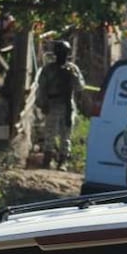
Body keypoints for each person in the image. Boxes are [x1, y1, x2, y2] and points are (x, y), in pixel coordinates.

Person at [35, 40, 86, 170]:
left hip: (67, 104)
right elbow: (42, 87)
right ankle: (47, 159)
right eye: (59, 52)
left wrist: (73, 76)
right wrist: (42, 103)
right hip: (52, 103)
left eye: (64, 52)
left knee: (66, 134)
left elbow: (80, 87)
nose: (61, 55)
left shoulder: (72, 68)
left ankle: (63, 160)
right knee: (50, 133)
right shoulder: (48, 69)